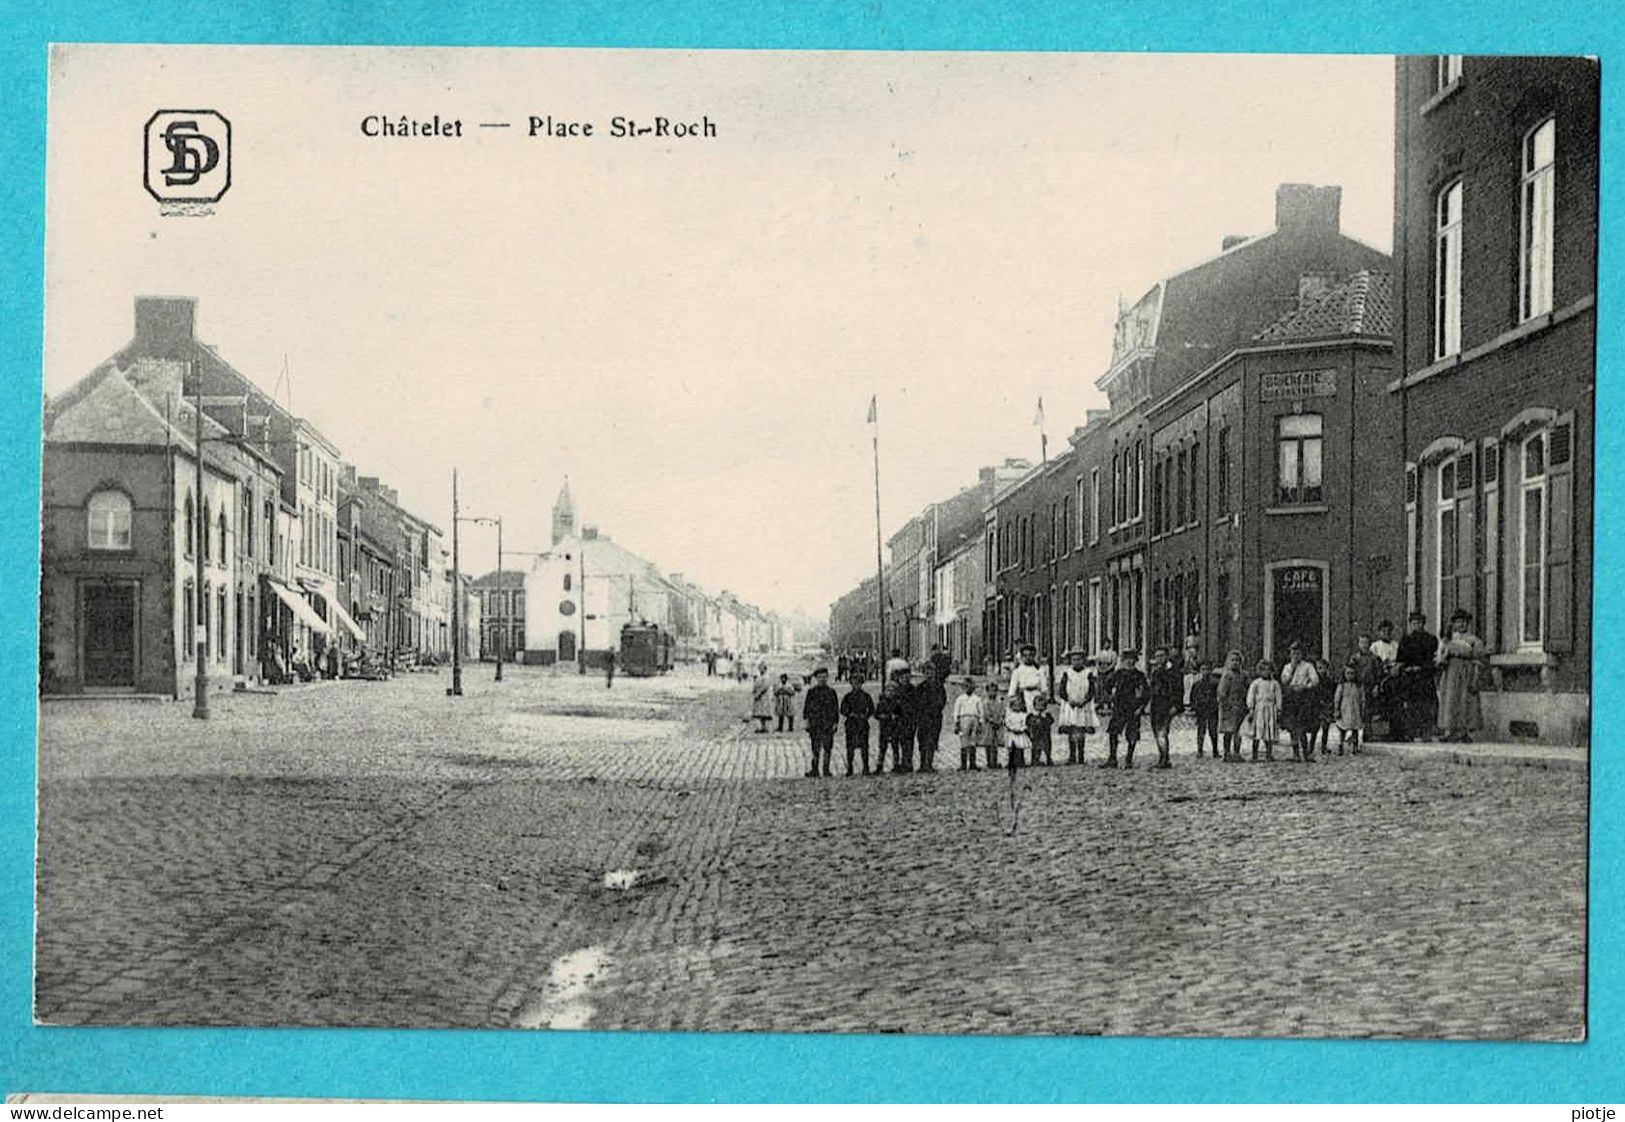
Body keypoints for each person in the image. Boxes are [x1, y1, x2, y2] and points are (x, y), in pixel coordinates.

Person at [1436, 609, 1486, 742]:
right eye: (1458, 622)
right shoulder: (1448, 639)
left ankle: (1464, 732)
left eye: (1464, 621)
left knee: (1465, 700)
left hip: (1466, 673)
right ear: (1453, 624)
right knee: (1451, 700)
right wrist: (1442, 658)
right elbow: (1440, 657)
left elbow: (1478, 661)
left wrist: (1475, 678)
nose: (1462, 624)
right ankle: (1450, 730)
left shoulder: (1473, 640)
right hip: (1451, 673)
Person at [1100, 650, 1148, 769]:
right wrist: (1110, 696)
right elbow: (1106, 684)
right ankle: (1112, 758)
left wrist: (1141, 707)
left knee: (1132, 734)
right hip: (1120, 706)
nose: (1130, 661)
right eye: (1127, 659)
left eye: (1132, 659)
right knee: (1113, 732)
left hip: (1133, 707)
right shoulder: (1119, 673)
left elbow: (1146, 693)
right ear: (1123, 661)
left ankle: (1129, 759)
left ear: (1135, 661)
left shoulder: (1139, 675)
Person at [1396, 611, 1440, 741]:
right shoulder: (1406, 640)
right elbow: (1401, 659)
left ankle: (1427, 731)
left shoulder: (1431, 640)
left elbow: (1433, 659)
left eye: (1419, 623)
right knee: (1411, 704)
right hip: (1411, 678)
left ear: (1423, 624)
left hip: (1425, 677)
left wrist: (1422, 668)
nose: (1417, 625)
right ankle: (1413, 732)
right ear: (1411, 624)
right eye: (1414, 623)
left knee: (1427, 704)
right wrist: (1406, 668)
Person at [1279, 642, 1321, 762]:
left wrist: (1305, 686)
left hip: (1303, 698)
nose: (1295, 656)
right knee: (1292, 727)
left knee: (1301, 726)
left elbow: (1315, 680)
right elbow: (1284, 681)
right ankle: (1295, 753)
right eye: (1293, 653)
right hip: (1291, 698)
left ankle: (1306, 753)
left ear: (1302, 654)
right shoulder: (1287, 667)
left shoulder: (1308, 666)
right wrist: (1292, 669)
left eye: (1298, 653)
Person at [1147, 646, 1184, 770]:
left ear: (1167, 656)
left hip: (1167, 705)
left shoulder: (1174, 671)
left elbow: (1179, 690)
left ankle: (1164, 758)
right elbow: (1152, 689)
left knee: (1162, 731)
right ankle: (1162, 756)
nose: (1159, 659)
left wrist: (1176, 705)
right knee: (1157, 732)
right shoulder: (1156, 672)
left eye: (1161, 656)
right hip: (1156, 705)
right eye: (1157, 656)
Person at [1056, 649, 1096, 765]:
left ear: (1083, 660)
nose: (1076, 662)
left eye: (1079, 659)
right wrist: (1069, 700)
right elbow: (1062, 690)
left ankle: (1081, 755)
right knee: (1072, 729)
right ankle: (1072, 755)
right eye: (1074, 660)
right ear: (1070, 661)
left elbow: (1092, 690)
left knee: (1081, 729)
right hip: (1070, 704)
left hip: (1083, 705)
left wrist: (1085, 700)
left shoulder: (1088, 673)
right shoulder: (1067, 673)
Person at [802, 667, 839, 778]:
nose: (822, 679)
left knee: (828, 747)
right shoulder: (811, 692)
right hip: (815, 724)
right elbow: (806, 708)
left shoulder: (831, 692)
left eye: (824, 677)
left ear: (827, 677)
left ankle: (826, 769)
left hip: (827, 723)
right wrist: (807, 721)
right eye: (820, 677)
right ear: (816, 678)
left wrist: (835, 722)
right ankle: (815, 769)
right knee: (815, 747)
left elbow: (835, 708)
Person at [912, 665, 948, 773]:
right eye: (927, 672)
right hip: (923, 717)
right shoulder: (920, 687)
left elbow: (942, 700)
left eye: (931, 672)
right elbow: (916, 702)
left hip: (935, 717)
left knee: (932, 740)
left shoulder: (939, 687)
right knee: (922, 740)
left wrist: (935, 709)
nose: (929, 674)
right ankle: (923, 764)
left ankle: (929, 763)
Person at [839, 671, 876, 776]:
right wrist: (850, 714)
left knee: (864, 747)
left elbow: (871, 708)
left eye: (858, 683)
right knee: (850, 747)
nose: (856, 685)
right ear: (851, 684)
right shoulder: (847, 697)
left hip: (862, 724)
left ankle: (866, 767)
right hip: (851, 724)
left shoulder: (866, 696)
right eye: (854, 683)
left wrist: (866, 715)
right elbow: (842, 709)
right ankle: (850, 768)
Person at [1246, 658, 1282, 762]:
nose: (1266, 672)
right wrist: (1251, 708)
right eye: (1263, 670)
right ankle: (1254, 755)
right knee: (1257, 732)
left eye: (1268, 670)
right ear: (1260, 671)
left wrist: (1279, 709)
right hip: (1259, 709)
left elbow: (1278, 697)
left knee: (1269, 732)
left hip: (1270, 709)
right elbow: (1251, 695)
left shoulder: (1274, 684)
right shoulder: (1256, 683)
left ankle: (1269, 754)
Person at [1216, 650, 1249, 762]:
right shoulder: (1227, 676)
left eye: (1237, 660)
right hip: (1229, 707)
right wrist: (1227, 704)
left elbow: (1247, 689)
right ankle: (1226, 752)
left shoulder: (1244, 675)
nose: (1235, 663)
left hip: (1240, 706)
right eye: (1233, 660)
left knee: (1238, 732)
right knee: (1228, 731)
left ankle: (1236, 752)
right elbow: (1221, 692)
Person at [952, 677, 985, 771]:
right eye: (966, 686)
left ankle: (972, 763)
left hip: (974, 719)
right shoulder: (960, 699)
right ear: (963, 687)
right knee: (964, 742)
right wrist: (956, 723)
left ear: (974, 687)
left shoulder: (977, 699)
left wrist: (980, 722)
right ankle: (963, 764)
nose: (968, 688)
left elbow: (981, 711)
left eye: (970, 686)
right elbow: (956, 712)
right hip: (963, 719)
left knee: (973, 742)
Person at [874, 677, 905, 775]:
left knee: (895, 746)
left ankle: (896, 764)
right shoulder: (881, 703)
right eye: (888, 690)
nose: (890, 693)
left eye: (892, 691)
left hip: (894, 728)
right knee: (882, 747)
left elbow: (901, 714)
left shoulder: (897, 703)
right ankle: (880, 765)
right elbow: (876, 714)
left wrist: (896, 717)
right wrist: (884, 716)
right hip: (884, 728)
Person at [1189, 659, 1220, 758]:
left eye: (1207, 669)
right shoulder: (1197, 685)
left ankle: (1215, 750)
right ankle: (1199, 750)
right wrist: (1194, 707)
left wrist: (1216, 706)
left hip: (1212, 710)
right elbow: (1192, 697)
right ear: (1200, 671)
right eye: (1203, 669)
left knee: (1213, 730)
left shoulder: (1215, 684)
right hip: (1201, 710)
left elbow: (1218, 696)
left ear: (1211, 670)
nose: (1205, 671)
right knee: (1201, 730)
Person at [890, 668, 918, 773]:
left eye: (907, 677)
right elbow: (892, 704)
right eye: (903, 678)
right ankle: (898, 763)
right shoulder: (896, 690)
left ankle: (908, 763)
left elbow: (916, 704)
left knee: (908, 741)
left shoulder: (913, 690)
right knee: (897, 741)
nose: (905, 679)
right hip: (898, 719)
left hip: (909, 719)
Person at [1333, 664, 1364, 755]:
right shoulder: (1342, 686)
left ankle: (1354, 747)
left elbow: (1362, 698)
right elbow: (1337, 698)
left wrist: (1362, 709)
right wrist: (1336, 709)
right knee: (1342, 729)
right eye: (1348, 673)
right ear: (1344, 674)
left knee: (1355, 729)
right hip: (1344, 709)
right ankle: (1340, 746)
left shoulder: (1358, 686)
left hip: (1355, 710)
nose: (1350, 675)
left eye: (1352, 673)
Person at [1007, 643, 1045, 714]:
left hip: (1036, 697)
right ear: (1021, 657)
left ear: (1034, 656)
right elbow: (1012, 688)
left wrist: (1043, 699)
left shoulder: (1039, 670)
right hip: (1024, 697)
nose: (1028, 657)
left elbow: (1044, 688)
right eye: (1025, 655)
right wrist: (1013, 699)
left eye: (1030, 655)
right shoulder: (1017, 671)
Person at [1313, 657, 1336, 756]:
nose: (1321, 670)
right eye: (1319, 668)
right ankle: (1311, 747)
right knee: (1315, 728)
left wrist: (1330, 703)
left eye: (1323, 668)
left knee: (1325, 728)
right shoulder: (1315, 681)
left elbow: (1332, 693)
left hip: (1326, 706)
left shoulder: (1329, 681)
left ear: (1327, 669)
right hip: (1317, 706)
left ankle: (1324, 746)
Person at [980, 681, 1005, 770]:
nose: (993, 693)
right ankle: (988, 761)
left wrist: (999, 720)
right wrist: (992, 720)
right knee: (988, 743)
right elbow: (986, 714)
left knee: (995, 744)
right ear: (987, 692)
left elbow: (1002, 712)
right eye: (990, 691)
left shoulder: (999, 702)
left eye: (994, 691)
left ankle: (994, 761)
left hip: (997, 725)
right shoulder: (985, 702)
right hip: (989, 725)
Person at [1003, 690, 1031, 769]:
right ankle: (1011, 762)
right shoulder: (1010, 715)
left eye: (1019, 705)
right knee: (1012, 748)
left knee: (1020, 748)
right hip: (1012, 733)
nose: (1017, 707)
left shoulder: (1023, 715)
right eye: (1015, 706)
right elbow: (1007, 723)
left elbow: (1025, 723)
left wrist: (1021, 729)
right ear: (1011, 707)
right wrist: (1012, 728)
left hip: (1020, 733)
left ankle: (1021, 761)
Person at [1026, 694, 1056, 766]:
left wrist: (1045, 718)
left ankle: (1048, 758)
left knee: (1047, 747)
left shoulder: (1046, 714)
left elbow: (1051, 721)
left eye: (1042, 706)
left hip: (1045, 735)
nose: (1040, 708)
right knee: (1036, 748)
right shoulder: (1032, 715)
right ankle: (1035, 760)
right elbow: (1028, 723)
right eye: (1038, 706)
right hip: (1036, 735)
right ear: (1034, 706)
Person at [750, 663, 772, 733]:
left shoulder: (766, 677)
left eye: (761, 668)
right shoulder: (759, 677)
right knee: (759, 713)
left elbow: (764, 687)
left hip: (764, 697)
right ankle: (759, 727)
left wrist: (758, 694)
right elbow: (755, 685)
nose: (760, 669)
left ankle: (764, 727)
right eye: (759, 668)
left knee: (764, 714)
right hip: (759, 698)